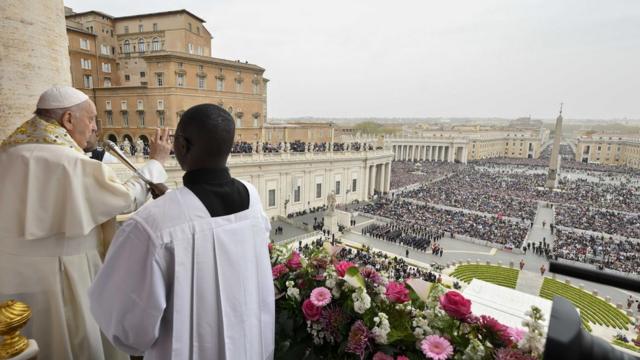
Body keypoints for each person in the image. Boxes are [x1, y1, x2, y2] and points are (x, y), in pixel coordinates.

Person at [89, 104, 274, 359]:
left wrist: (171, 204)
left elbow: (128, 328)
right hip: (249, 346)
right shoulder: (252, 198)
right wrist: (174, 201)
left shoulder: (152, 224)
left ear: (182, 146)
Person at [0, 86, 170, 360]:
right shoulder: (70, 162)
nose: (94, 128)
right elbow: (125, 198)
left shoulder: (6, 153)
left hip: (9, 278)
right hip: (63, 275)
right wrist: (156, 161)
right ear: (68, 120)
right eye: (90, 119)